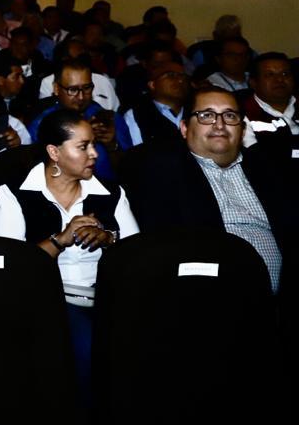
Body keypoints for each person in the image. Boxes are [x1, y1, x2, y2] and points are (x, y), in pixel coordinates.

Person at [0, 109, 139, 403]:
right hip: (49, 301)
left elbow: (139, 256)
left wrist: (110, 239)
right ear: (54, 152)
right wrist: (60, 240)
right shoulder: (15, 195)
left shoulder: (110, 193)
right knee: (86, 346)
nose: (94, 154)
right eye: (83, 147)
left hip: (108, 297)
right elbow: (9, 268)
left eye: (94, 145)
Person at [123, 87, 289, 295]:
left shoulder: (270, 171)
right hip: (206, 302)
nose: (219, 125)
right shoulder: (161, 171)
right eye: (207, 115)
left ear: (243, 129)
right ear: (184, 128)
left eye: (230, 116)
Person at [29, 60, 130, 182]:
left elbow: (130, 171)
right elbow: (38, 173)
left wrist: (112, 145)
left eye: (87, 88)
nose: (81, 96)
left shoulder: (109, 119)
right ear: (56, 88)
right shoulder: (42, 124)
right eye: (72, 90)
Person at [124, 61, 191, 147]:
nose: (180, 80)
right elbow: (137, 154)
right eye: (171, 75)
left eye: (183, 76)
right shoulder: (137, 114)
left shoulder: (196, 109)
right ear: (153, 85)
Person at [242, 53, 297, 149]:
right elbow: (254, 157)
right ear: (253, 83)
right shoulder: (243, 114)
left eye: (285, 74)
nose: (280, 79)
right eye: (270, 75)